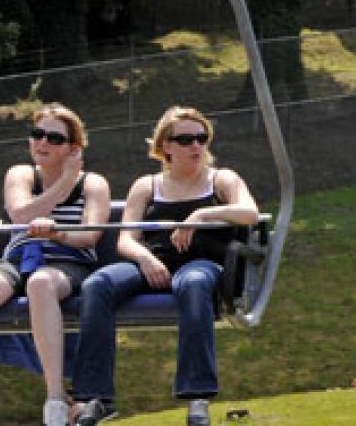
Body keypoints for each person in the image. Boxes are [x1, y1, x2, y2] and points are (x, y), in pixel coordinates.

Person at [73, 106, 261, 426]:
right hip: (154, 261)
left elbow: (249, 212)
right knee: (97, 285)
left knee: (194, 283)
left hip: (201, 262)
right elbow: (125, 239)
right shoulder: (146, 186)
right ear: (166, 147)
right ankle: (94, 396)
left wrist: (203, 215)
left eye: (201, 138)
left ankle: (196, 395)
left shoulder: (221, 180)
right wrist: (146, 258)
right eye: (185, 139)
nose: (196, 146)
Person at [0, 105, 109, 426]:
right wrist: (61, 185)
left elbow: (89, 236)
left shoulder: (92, 184)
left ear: (73, 149)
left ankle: (56, 399)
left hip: (67, 260)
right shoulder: (21, 174)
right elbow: (19, 215)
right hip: (20, 258)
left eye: (54, 138)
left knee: (41, 284)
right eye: (37, 134)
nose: (43, 143)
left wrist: (57, 233)